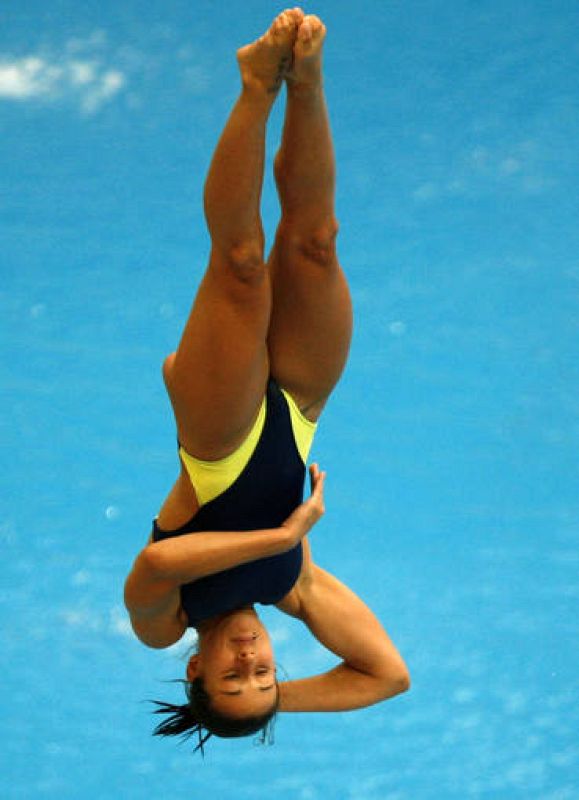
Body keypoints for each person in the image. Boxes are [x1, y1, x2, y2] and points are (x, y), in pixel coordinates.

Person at [124, 8, 410, 753]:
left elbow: (155, 563)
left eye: (231, 677)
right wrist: (279, 705)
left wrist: (283, 533)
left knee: (243, 262)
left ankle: (255, 84)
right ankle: (307, 83)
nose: (252, 661)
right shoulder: (294, 587)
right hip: (300, 410)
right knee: (315, 242)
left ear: (195, 669)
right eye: (264, 677)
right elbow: (385, 677)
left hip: (217, 439)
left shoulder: (166, 624)